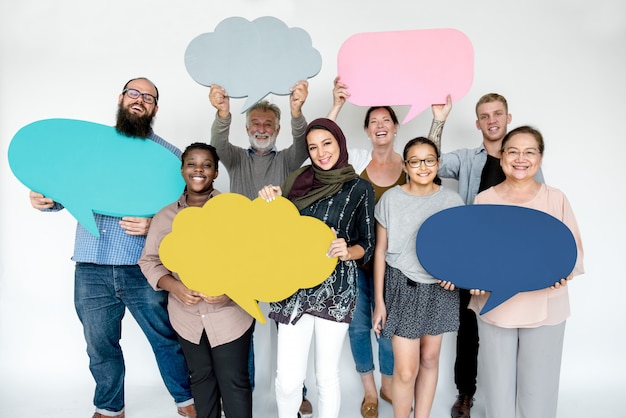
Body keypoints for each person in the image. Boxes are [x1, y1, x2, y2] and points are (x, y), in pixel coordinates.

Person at [28, 77, 195, 418]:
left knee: (165, 338)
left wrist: (155, 226)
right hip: (91, 265)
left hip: (143, 267)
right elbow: (64, 192)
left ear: (155, 109)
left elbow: (192, 214)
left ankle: (187, 402)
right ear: (121, 98)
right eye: (133, 93)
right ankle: (109, 406)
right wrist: (44, 198)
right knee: (99, 344)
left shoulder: (171, 158)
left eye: (148, 97)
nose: (139, 100)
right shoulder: (91, 149)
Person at [327, 77, 447, 417]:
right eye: (373, 121)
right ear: (366, 130)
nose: (380, 126)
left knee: (388, 329)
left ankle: (389, 383)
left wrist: (438, 120)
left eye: (386, 120)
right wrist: (336, 106)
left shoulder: (410, 167)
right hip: (354, 261)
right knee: (359, 325)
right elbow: (321, 146)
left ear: (396, 127)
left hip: (393, 265)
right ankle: (369, 390)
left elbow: (431, 160)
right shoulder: (357, 162)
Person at [430, 93, 544, 418]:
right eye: (485, 115)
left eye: (497, 114)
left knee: (514, 327)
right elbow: (428, 161)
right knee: (469, 330)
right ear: (477, 123)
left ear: (508, 118)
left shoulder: (524, 161)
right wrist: (439, 120)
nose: (491, 120)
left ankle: (512, 397)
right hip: (473, 260)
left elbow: (542, 213)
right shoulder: (468, 158)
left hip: (513, 262)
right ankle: (466, 394)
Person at [209, 81, 313, 417]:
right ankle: (243, 396)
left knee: (289, 327)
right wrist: (222, 112)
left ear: (278, 129)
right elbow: (217, 144)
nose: (262, 129)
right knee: (241, 327)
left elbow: (303, 142)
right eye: (256, 123)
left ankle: (298, 393)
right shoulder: (236, 159)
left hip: (282, 254)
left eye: (269, 124)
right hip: (242, 255)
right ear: (247, 127)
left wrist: (297, 111)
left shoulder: (288, 160)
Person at [258, 118, 375, 418]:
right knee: (287, 381)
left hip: (336, 289)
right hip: (293, 287)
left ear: (339, 143)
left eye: (327, 143)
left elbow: (368, 242)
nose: (321, 152)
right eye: (313, 147)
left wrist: (348, 250)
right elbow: (275, 229)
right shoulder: (296, 182)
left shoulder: (360, 188)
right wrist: (268, 201)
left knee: (326, 376)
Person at [468, 126, 584, 418]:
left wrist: (562, 271)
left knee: (539, 390)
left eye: (529, 152)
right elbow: (474, 256)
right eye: (513, 151)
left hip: (546, 306)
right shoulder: (484, 200)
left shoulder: (556, 199)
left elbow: (573, 253)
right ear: (502, 157)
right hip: (495, 305)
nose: (521, 159)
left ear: (540, 159)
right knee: (497, 388)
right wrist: (474, 280)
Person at [139, 143, 254, 418]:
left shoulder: (235, 211)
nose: (198, 170)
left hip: (229, 316)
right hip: (187, 317)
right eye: (192, 164)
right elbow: (149, 261)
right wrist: (174, 287)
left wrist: (230, 292)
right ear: (182, 170)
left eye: (206, 165)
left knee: (234, 381)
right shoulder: (165, 216)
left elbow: (253, 260)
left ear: (215, 172)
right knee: (201, 380)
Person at [373, 137, 464, 418]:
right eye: (415, 161)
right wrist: (379, 301)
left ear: (438, 163)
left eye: (429, 160)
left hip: (440, 290)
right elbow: (380, 251)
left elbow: (461, 248)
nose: (422, 167)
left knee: (429, 358)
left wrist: (455, 275)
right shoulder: (391, 199)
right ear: (405, 165)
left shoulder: (452, 200)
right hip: (403, 287)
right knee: (406, 369)